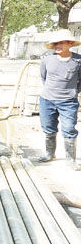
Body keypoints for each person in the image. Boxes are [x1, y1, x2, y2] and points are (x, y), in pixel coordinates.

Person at [38, 29, 81, 170]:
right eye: (55, 43)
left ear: (69, 43)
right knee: (48, 128)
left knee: (69, 128)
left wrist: (72, 92)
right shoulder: (47, 60)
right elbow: (44, 78)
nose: (57, 45)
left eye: (61, 43)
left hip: (68, 102)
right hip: (47, 100)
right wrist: (51, 92)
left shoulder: (78, 61)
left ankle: (71, 160)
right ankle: (50, 154)